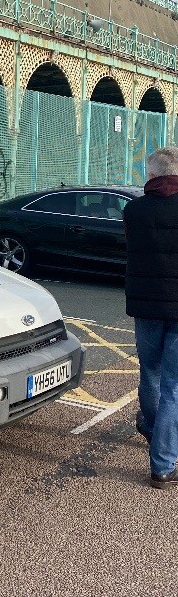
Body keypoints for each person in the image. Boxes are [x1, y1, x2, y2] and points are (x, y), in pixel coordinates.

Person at [123, 145, 178, 490]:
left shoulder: (133, 210)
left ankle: (153, 427)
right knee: (174, 386)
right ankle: (162, 464)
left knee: (151, 373)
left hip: (145, 306)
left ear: (154, 175)